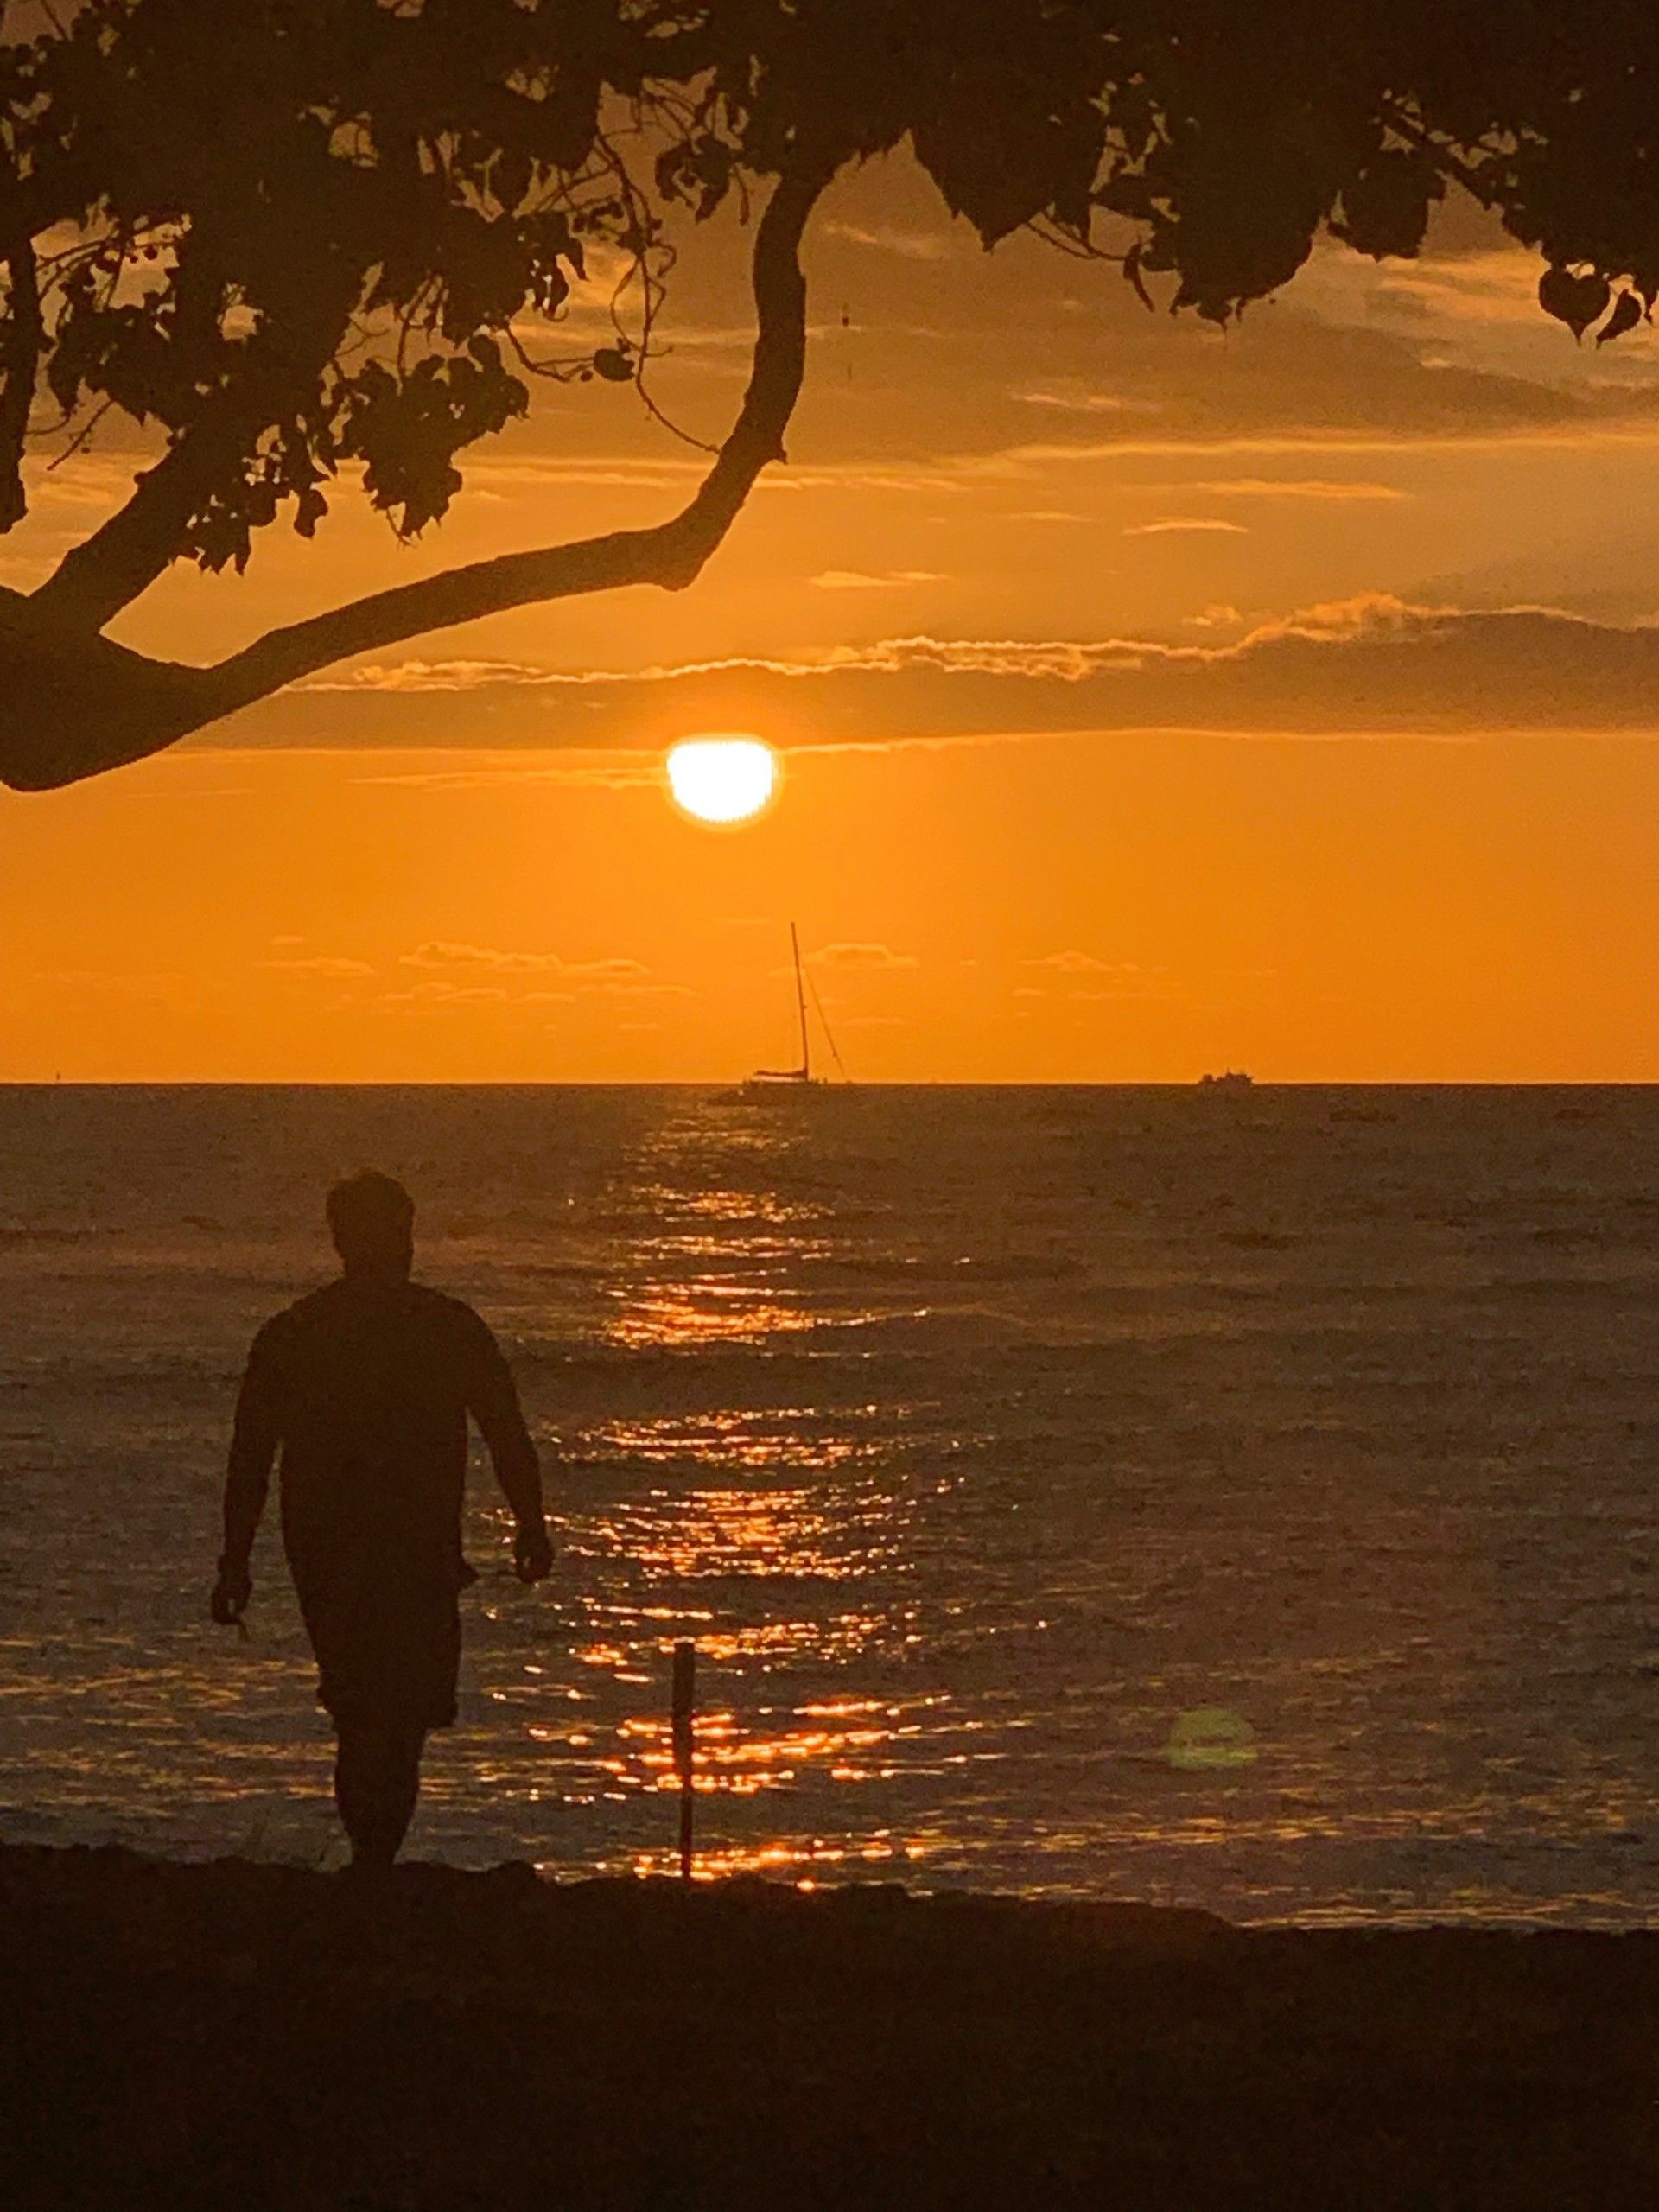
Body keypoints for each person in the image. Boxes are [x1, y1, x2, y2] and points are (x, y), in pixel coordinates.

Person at [210, 1170, 552, 1868]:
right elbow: (506, 1433)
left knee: (369, 1712)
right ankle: (375, 1861)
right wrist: (530, 1523)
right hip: (396, 1548)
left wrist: (236, 1559)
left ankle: (374, 1859)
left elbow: (251, 1457)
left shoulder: (297, 1333)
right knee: (387, 1716)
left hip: (343, 1548)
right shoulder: (440, 1328)